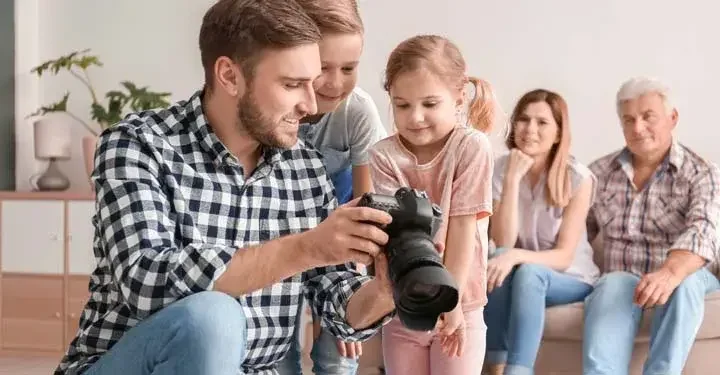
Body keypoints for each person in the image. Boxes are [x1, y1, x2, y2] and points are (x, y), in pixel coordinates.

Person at [53, 1, 399, 374]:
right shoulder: (139, 145)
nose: (310, 104)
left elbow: (337, 302)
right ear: (230, 76)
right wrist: (306, 247)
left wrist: (383, 291)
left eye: (309, 83)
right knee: (212, 316)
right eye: (291, 84)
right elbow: (146, 279)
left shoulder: (306, 168)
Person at [369, 34, 497, 375]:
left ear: (458, 97)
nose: (415, 117)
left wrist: (449, 300)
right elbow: (398, 233)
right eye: (402, 105)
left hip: (462, 304)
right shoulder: (384, 155)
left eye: (429, 104)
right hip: (406, 304)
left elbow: (462, 226)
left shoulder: (472, 147)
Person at [582, 77, 720, 375]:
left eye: (648, 117)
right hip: (624, 278)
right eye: (628, 119)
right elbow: (576, 236)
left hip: (686, 275)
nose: (637, 128)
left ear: (673, 118)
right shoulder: (598, 173)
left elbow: (703, 231)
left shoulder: (702, 172)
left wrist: (668, 272)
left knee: (684, 281)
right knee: (612, 282)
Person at [278, 1, 387, 373]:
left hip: (342, 237)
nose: (336, 82)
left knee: (340, 350)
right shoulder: (273, 111)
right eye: (324, 68)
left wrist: (348, 297)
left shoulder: (357, 112)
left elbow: (364, 207)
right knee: (279, 351)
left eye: (348, 68)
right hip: (280, 234)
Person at [482, 89, 600, 375]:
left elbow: (563, 257)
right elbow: (504, 241)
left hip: (571, 278)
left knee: (525, 271)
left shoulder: (578, 178)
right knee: (500, 260)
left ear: (559, 133)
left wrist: (514, 257)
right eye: (523, 119)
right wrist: (512, 180)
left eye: (542, 122)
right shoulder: (499, 169)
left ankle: (519, 370)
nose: (530, 130)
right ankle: (495, 366)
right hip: (517, 272)